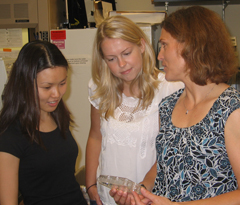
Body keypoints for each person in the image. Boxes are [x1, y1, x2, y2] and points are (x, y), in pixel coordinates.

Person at [110, 6, 240, 205]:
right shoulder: (168, 105)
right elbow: (165, 161)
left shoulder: (232, 108)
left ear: (191, 46)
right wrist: (142, 190)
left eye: (164, 45)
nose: (159, 55)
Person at [85, 15, 184, 205]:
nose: (121, 65)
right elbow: (95, 136)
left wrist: (143, 189)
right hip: (107, 195)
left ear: (141, 45)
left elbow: (170, 150)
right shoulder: (99, 89)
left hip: (148, 196)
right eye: (111, 59)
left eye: (126, 53)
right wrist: (90, 185)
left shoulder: (168, 88)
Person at [0, 40, 88, 205]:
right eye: (47, 87)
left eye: (62, 83)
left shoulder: (57, 115)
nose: (56, 94)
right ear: (24, 84)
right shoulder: (10, 135)